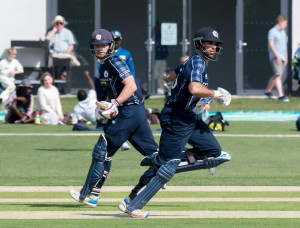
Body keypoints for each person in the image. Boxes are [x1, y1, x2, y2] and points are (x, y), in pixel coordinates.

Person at [118, 27, 232, 218]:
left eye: (215, 44)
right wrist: (216, 93)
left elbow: (174, 73)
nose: (213, 47)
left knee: (214, 152)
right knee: (166, 165)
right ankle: (132, 202)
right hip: (177, 119)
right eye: (209, 43)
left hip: (189, 117)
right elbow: (194, 88)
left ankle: (161, 160)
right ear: (198, 44)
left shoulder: (194, 61)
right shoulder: (198, 62)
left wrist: (168, 79)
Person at [68, 29, 158, 208]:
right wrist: (103, 109)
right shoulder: (104, 65)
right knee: (157, 156)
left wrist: (115, 103)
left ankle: (87, 194)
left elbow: (131, 86)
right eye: (96, 45)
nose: (100, 48)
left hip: (128, 112)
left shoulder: (115, 61)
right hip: (135, 113)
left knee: (102, 153)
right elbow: (111, 93)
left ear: (110, 46)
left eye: (103, 45)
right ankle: (189, 160)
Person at [46, 15, 80, 80]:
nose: (59, 25)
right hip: (55, 53)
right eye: (57, 23)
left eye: (61, 23)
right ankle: (55, 76)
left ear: (63, 24)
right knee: (50, 61)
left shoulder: (68, 32)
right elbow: (47, 40)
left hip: (65, 52)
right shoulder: (52, 32)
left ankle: (63, 74)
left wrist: (67, 52)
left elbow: (71, 45)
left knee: (70, 59)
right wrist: (53, 30)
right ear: (54, 24)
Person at [264, 15, 289, 102]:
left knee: (277, 75)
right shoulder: (272, 31)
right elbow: (271, 44)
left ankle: (268, 91)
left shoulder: (283, 32)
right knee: (278, 75)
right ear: (280, 22)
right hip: (276, 57)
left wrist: (286, 57)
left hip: (282, 57)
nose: (286, 25)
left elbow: (284, 46)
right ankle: (281, 96)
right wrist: (277, 56)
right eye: (285, 23)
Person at [155, 21, 169, 95]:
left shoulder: (163, 36)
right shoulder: (154, 36)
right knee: (155, 74)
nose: (159, 28)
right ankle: (150, 87)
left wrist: (166, 56)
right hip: (155, 59)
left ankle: (161, 88)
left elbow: (165, 48)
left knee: (161, 74)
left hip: (162, 58)